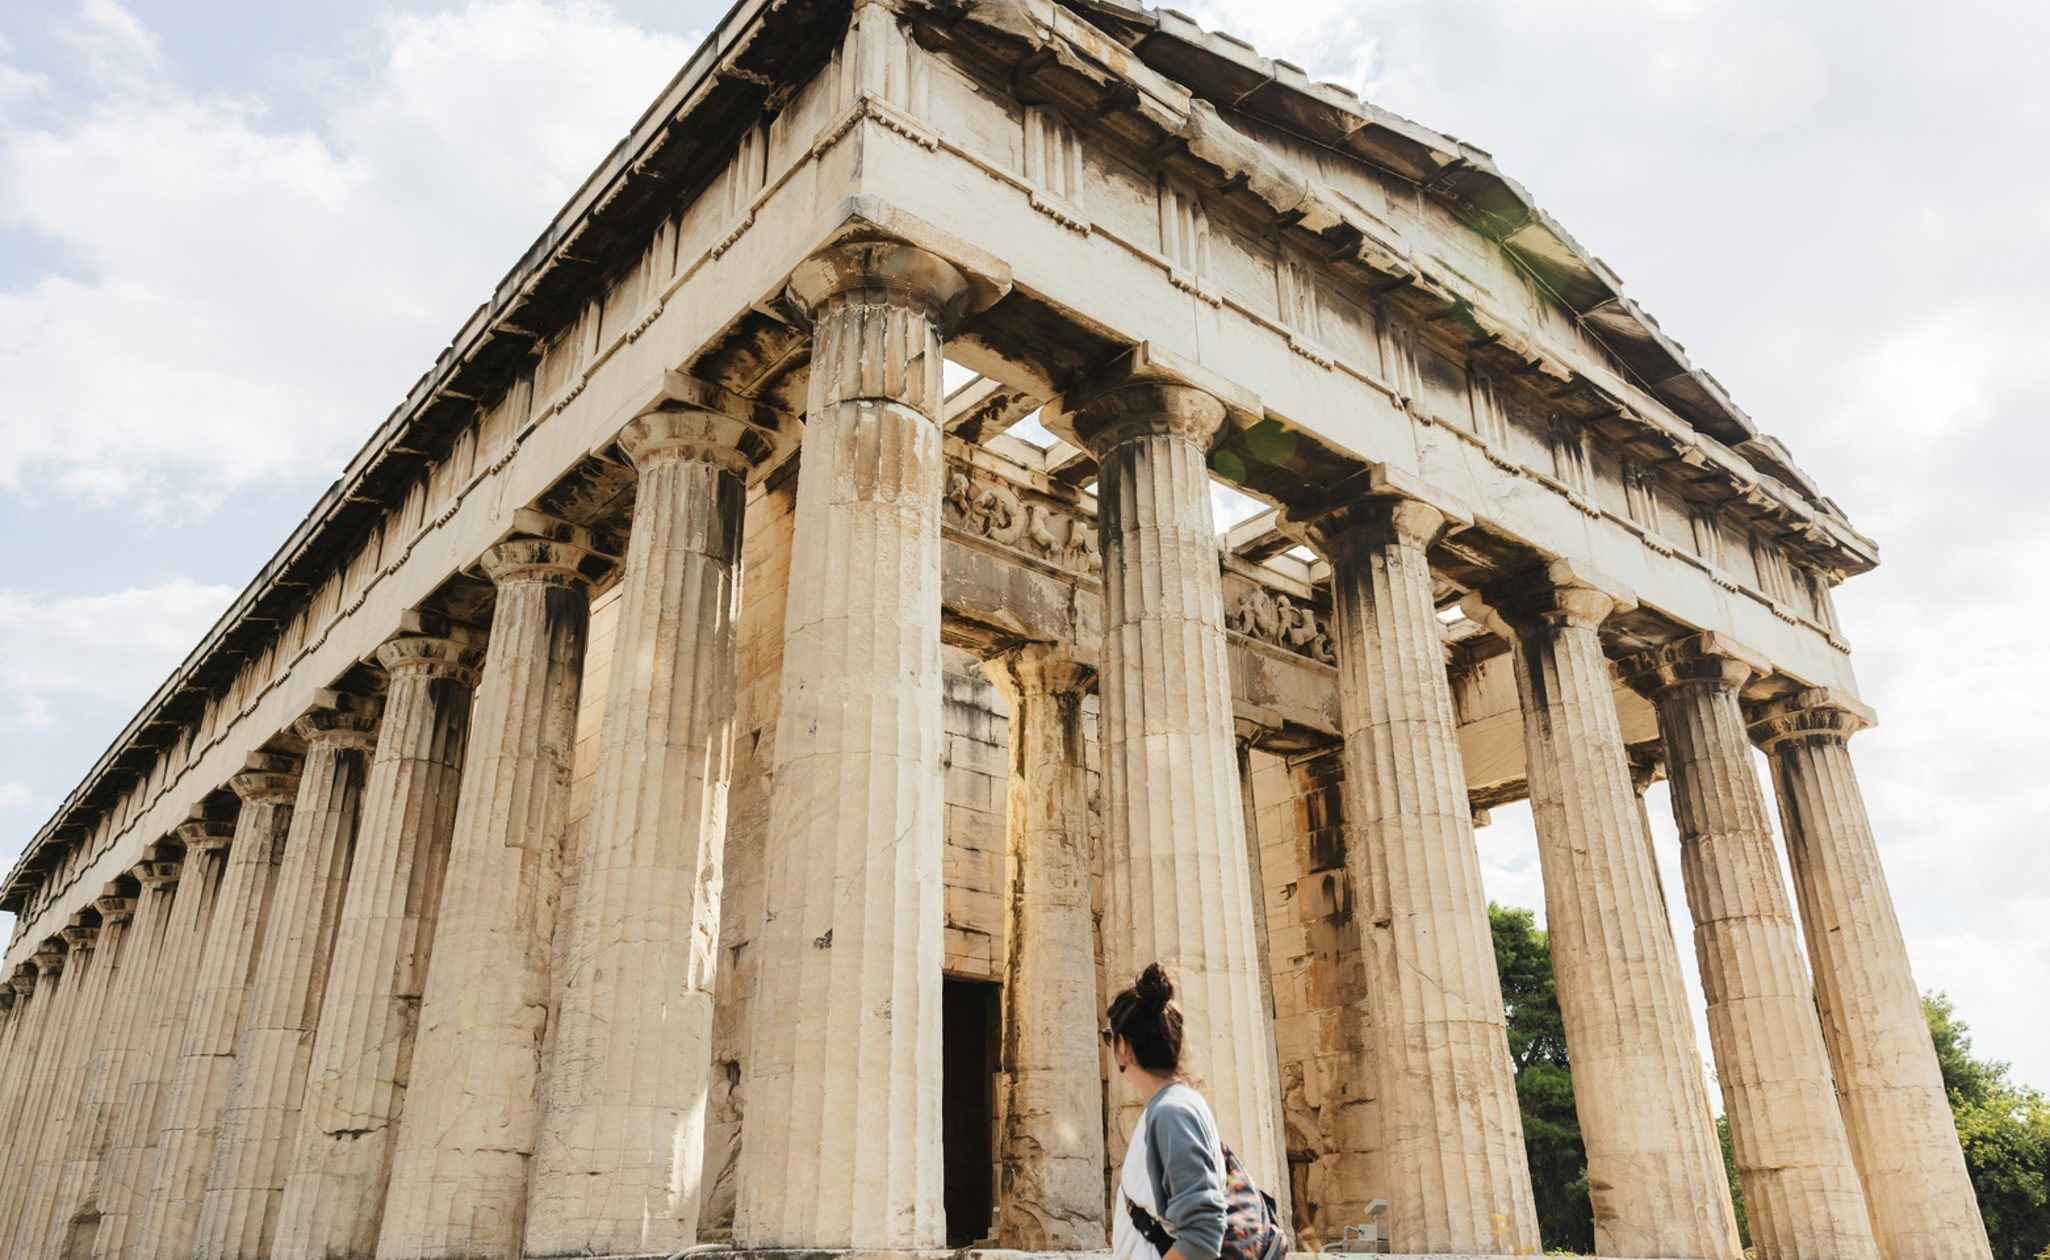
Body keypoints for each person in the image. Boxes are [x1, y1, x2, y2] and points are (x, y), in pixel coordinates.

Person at [1103, 964, 1228, 1260]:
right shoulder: (1167, 1108)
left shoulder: (1173, 1112)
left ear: (1123, 1046)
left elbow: (1203, 1235)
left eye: (1109, 1037)